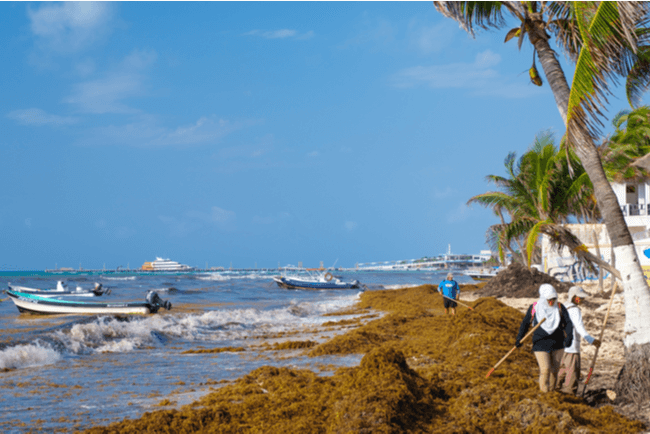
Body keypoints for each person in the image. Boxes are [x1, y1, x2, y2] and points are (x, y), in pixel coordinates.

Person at [515, 283, 573, 393]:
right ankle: (544, 393)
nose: (551, 302)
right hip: (540, 343)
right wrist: (519, 338)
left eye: (554, 299)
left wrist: (569, 337)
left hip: (558, 344)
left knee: (554, 371)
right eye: (549, 299)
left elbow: (568, 323)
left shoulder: (560, 307)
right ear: (543, 298)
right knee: (545, 369)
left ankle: (551, 393)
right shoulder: (534, 308)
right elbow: (525, 323)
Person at [556, 285, 601, 394]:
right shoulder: (574, 310)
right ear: (573, 297)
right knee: (572, 373)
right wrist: (592, 340)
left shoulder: (562, 307)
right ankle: (569, 395)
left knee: (561, 370)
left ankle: (553, 390)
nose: (582, 299)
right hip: (571, 347)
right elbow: (579, 328)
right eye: (579, 297)